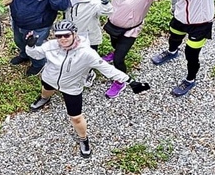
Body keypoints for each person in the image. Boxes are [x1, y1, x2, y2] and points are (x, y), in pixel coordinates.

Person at [25, 21, 149, 157]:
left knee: (76, 118)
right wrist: (31, 46)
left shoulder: (86, 53)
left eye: (66, 35)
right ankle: (44, 99)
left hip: (72, 88)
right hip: (50, 78)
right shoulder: (50, 46)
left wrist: (130, 81)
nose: (62, 39)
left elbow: (107, 69)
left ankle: (83, 139)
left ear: (74, 34)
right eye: (59, 36)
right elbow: (36, 55)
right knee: (46, 90)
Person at [96, 0, 180, 98]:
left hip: (130, 30)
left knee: (119, 59)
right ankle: (114, 53)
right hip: (113, 25)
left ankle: (120, 81)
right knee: (115, 44)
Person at [4, 0, 70, 76]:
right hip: (18, 21)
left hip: (38, 26)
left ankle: (38, 64)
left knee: (36, 48)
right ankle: (24, 55)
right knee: (19, 41)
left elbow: (62, 6)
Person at [64, 0, 114, 87]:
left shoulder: (95, 1)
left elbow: (106, 12)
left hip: (89, 36)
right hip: (70, 34)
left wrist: (105, 2)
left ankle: (89, 73)